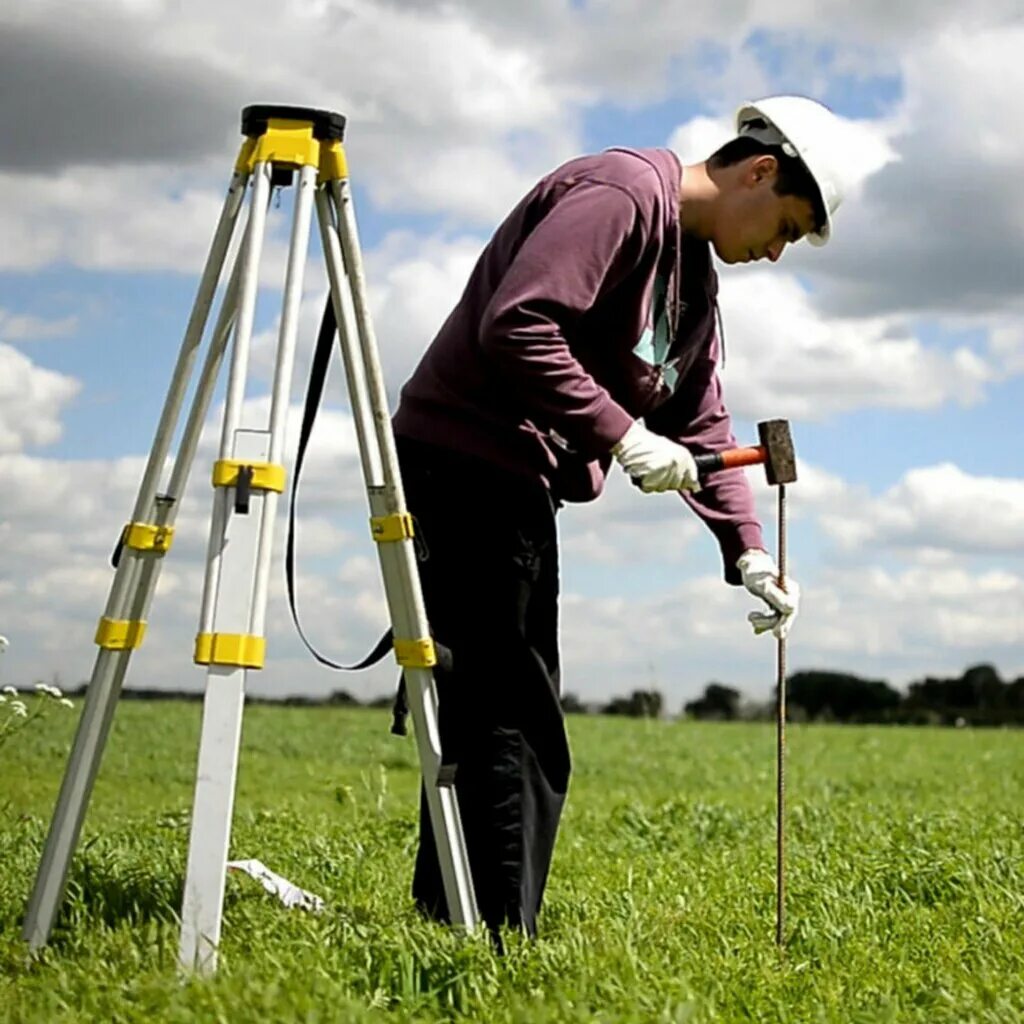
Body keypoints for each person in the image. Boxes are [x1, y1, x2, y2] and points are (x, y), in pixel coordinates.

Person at [391, 95, 851, 939]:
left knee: (492, 699)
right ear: (759, 172)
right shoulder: (620, 196)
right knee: (513, 713)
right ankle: (494, 940)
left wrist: (747, 551)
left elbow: (703, 420)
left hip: (512, 480)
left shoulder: (694, 277)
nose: (778, 254)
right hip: (462, 458)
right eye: (785, 227)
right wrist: (622, 435)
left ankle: (449, 915)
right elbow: (518, 323)